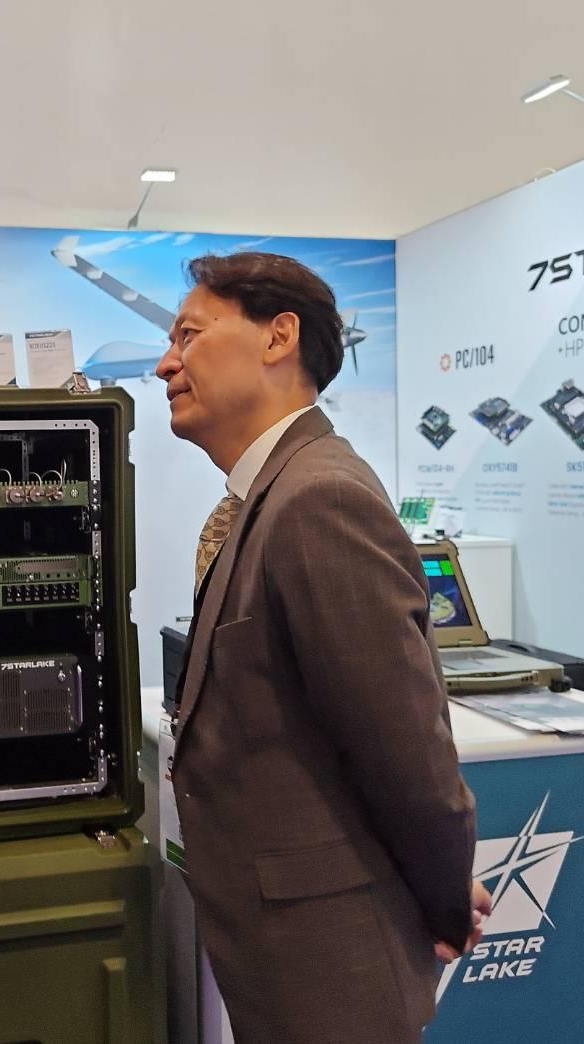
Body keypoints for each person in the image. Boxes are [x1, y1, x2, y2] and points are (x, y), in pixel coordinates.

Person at [156, 252, 489, 1042]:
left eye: (188, 335)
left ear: (278, 338)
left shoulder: (319, 499)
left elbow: (404, 748)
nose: (166, 363)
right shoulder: (271, 498)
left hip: (332, 962)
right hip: (291, 949)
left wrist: (443, 895)